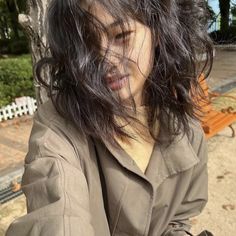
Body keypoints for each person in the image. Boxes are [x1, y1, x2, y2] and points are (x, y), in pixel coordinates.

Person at [6, 0, 214, 235]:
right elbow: (57, 214)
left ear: (157, 30)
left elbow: (178, 219)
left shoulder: (187, 132)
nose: (106, 61)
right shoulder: (58, 126)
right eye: (87, 44)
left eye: (122, 35)